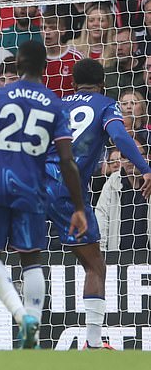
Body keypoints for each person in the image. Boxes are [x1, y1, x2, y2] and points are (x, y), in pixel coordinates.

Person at [0, 40, 88, 349]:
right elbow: (67, 160)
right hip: (32, 188)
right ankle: (34, 330)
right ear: (44, 66)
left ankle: (19, 315)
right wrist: (78, 205)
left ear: (18, 64)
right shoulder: (55, 103)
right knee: (31, 259)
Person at [43, 58, 151, 349]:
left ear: (73, 83)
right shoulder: (105, 104)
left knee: (14, 251)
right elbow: (119, 136)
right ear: (102, 83)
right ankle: (92, 342)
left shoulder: (58, 104)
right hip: (68, 188)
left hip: (36, 181)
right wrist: (145, 168)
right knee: (95, 265)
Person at [96, 141, 151, 251]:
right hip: (119, 259)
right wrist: (102, 252)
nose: (130, 159)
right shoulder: (112, 182)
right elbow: (101, 217)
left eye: (135, 153)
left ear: (148, 157)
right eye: (125, 155)